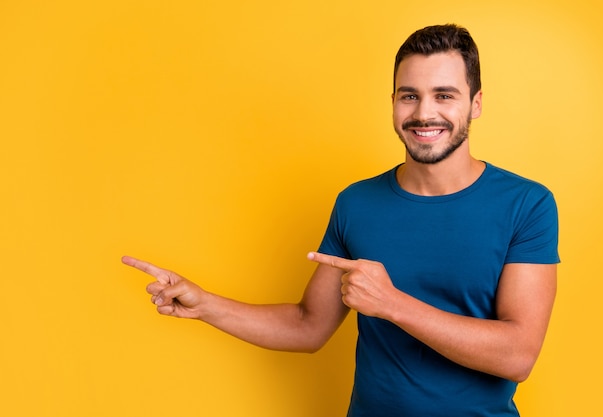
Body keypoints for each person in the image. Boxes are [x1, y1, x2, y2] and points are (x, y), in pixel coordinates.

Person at [122, 24, 559, 417]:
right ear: (393, 103)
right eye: (410, 95)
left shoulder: (526, 204)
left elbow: (517, 355)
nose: (425, 113)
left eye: (444, 95)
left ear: (476, 103)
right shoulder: (357, 203)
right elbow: (308, 325)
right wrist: (204, 305)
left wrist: (393, 305)